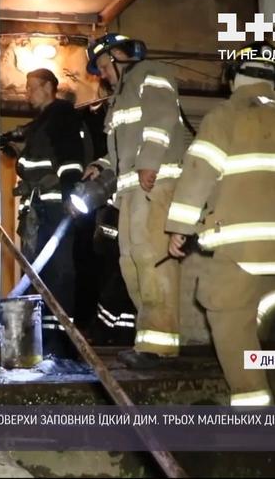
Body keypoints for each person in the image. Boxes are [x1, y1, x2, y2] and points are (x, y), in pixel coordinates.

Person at [165, 42, 275, 406]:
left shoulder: (225, 117)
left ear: (234, 78)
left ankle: (252, 407)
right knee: (254, 288)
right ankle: (274, 301)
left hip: (237, 241)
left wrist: (180, 227)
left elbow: (198, 173)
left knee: (228, 319)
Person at [82, 33, 186, 368]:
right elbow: (121, 151)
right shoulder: (119, 98)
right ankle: (149, 339)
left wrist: (150, 162)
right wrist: (101, 166)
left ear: (119, 56)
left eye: (103, 66)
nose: (102, 74)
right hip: (129, 193)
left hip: (154, 184)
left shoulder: (150, 73)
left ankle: (160, 347)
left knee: (151, 259)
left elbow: (162, 118)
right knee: (131, 265)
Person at [4, 68, 86, 356]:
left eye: (32, 87)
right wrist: (19, 151)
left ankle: (61, 342)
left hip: (54, 209)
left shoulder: (61, 116)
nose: (27, 93)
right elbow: (38, 162)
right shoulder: (42, 123)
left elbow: (70, 162)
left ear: (49, 87)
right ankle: (45, 340)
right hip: (39, 211)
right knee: (41, 274)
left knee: (58, 272)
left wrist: (70, 197)